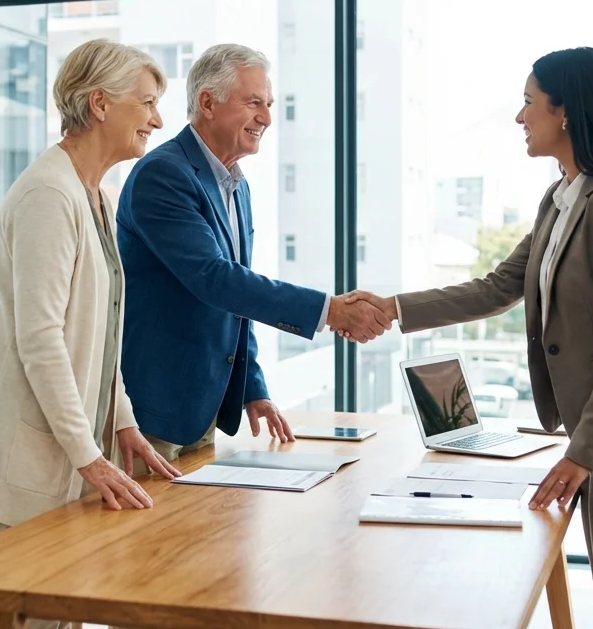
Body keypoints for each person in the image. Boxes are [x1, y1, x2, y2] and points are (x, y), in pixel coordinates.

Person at [347, 47, 593, 629]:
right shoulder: (563, 196)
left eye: (528, 102)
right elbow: (498, 287)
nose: (519, 117)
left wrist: (583, 451)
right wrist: (391, 308)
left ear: (566, 112)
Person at [0, 39, 183, 565]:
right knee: (29, 617)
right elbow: (41, 340)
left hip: (72, 452)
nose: (158, 120)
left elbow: (101, 330)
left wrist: (121, 419)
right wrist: (89, 456)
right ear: (100, 104)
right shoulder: (49, 196)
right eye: (147, 103)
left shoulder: (94, 193)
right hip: (33, 460)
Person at [116, 43, 392, 465]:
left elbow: (236, 301)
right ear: (208, 102)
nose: (265, 117)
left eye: (269, 104)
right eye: (254, 103)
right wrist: (328, 310)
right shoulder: (163, 174)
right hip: (152, 412)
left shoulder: (236, 184)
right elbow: (215, 278)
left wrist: (253, 388)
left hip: (201, 409)